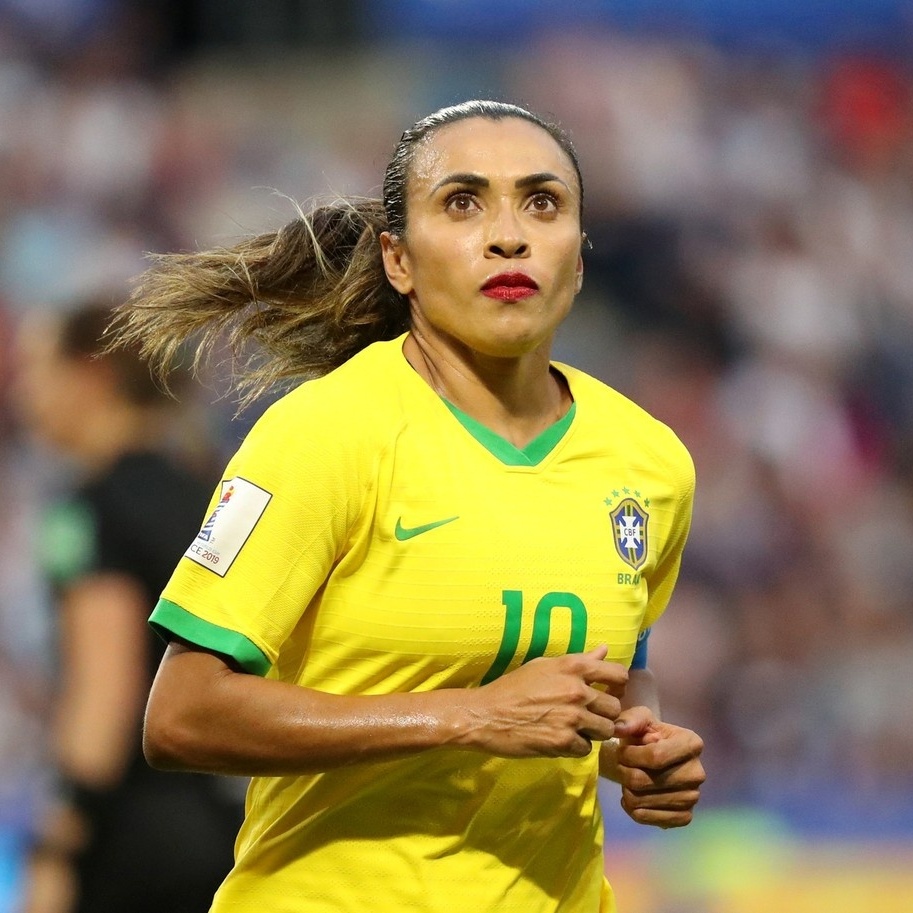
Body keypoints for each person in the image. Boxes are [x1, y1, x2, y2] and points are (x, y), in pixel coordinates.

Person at [107, 100, 706, 913]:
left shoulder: (649, 460)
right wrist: (466, 717)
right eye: (462, 202)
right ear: (398, 259)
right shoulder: (325, 434)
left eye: (542, 202)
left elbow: (616, 675)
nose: (508, 235)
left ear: (579, 257)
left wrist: (639, 751)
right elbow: (181, 716)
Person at [14, 300, 242, 913]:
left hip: (131, 834)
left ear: (91, 373)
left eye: (38, 367)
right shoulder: (208, 493)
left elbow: (105, 688)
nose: (24, 388)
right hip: (220, 823)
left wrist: (59, 842)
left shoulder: (90, 510)